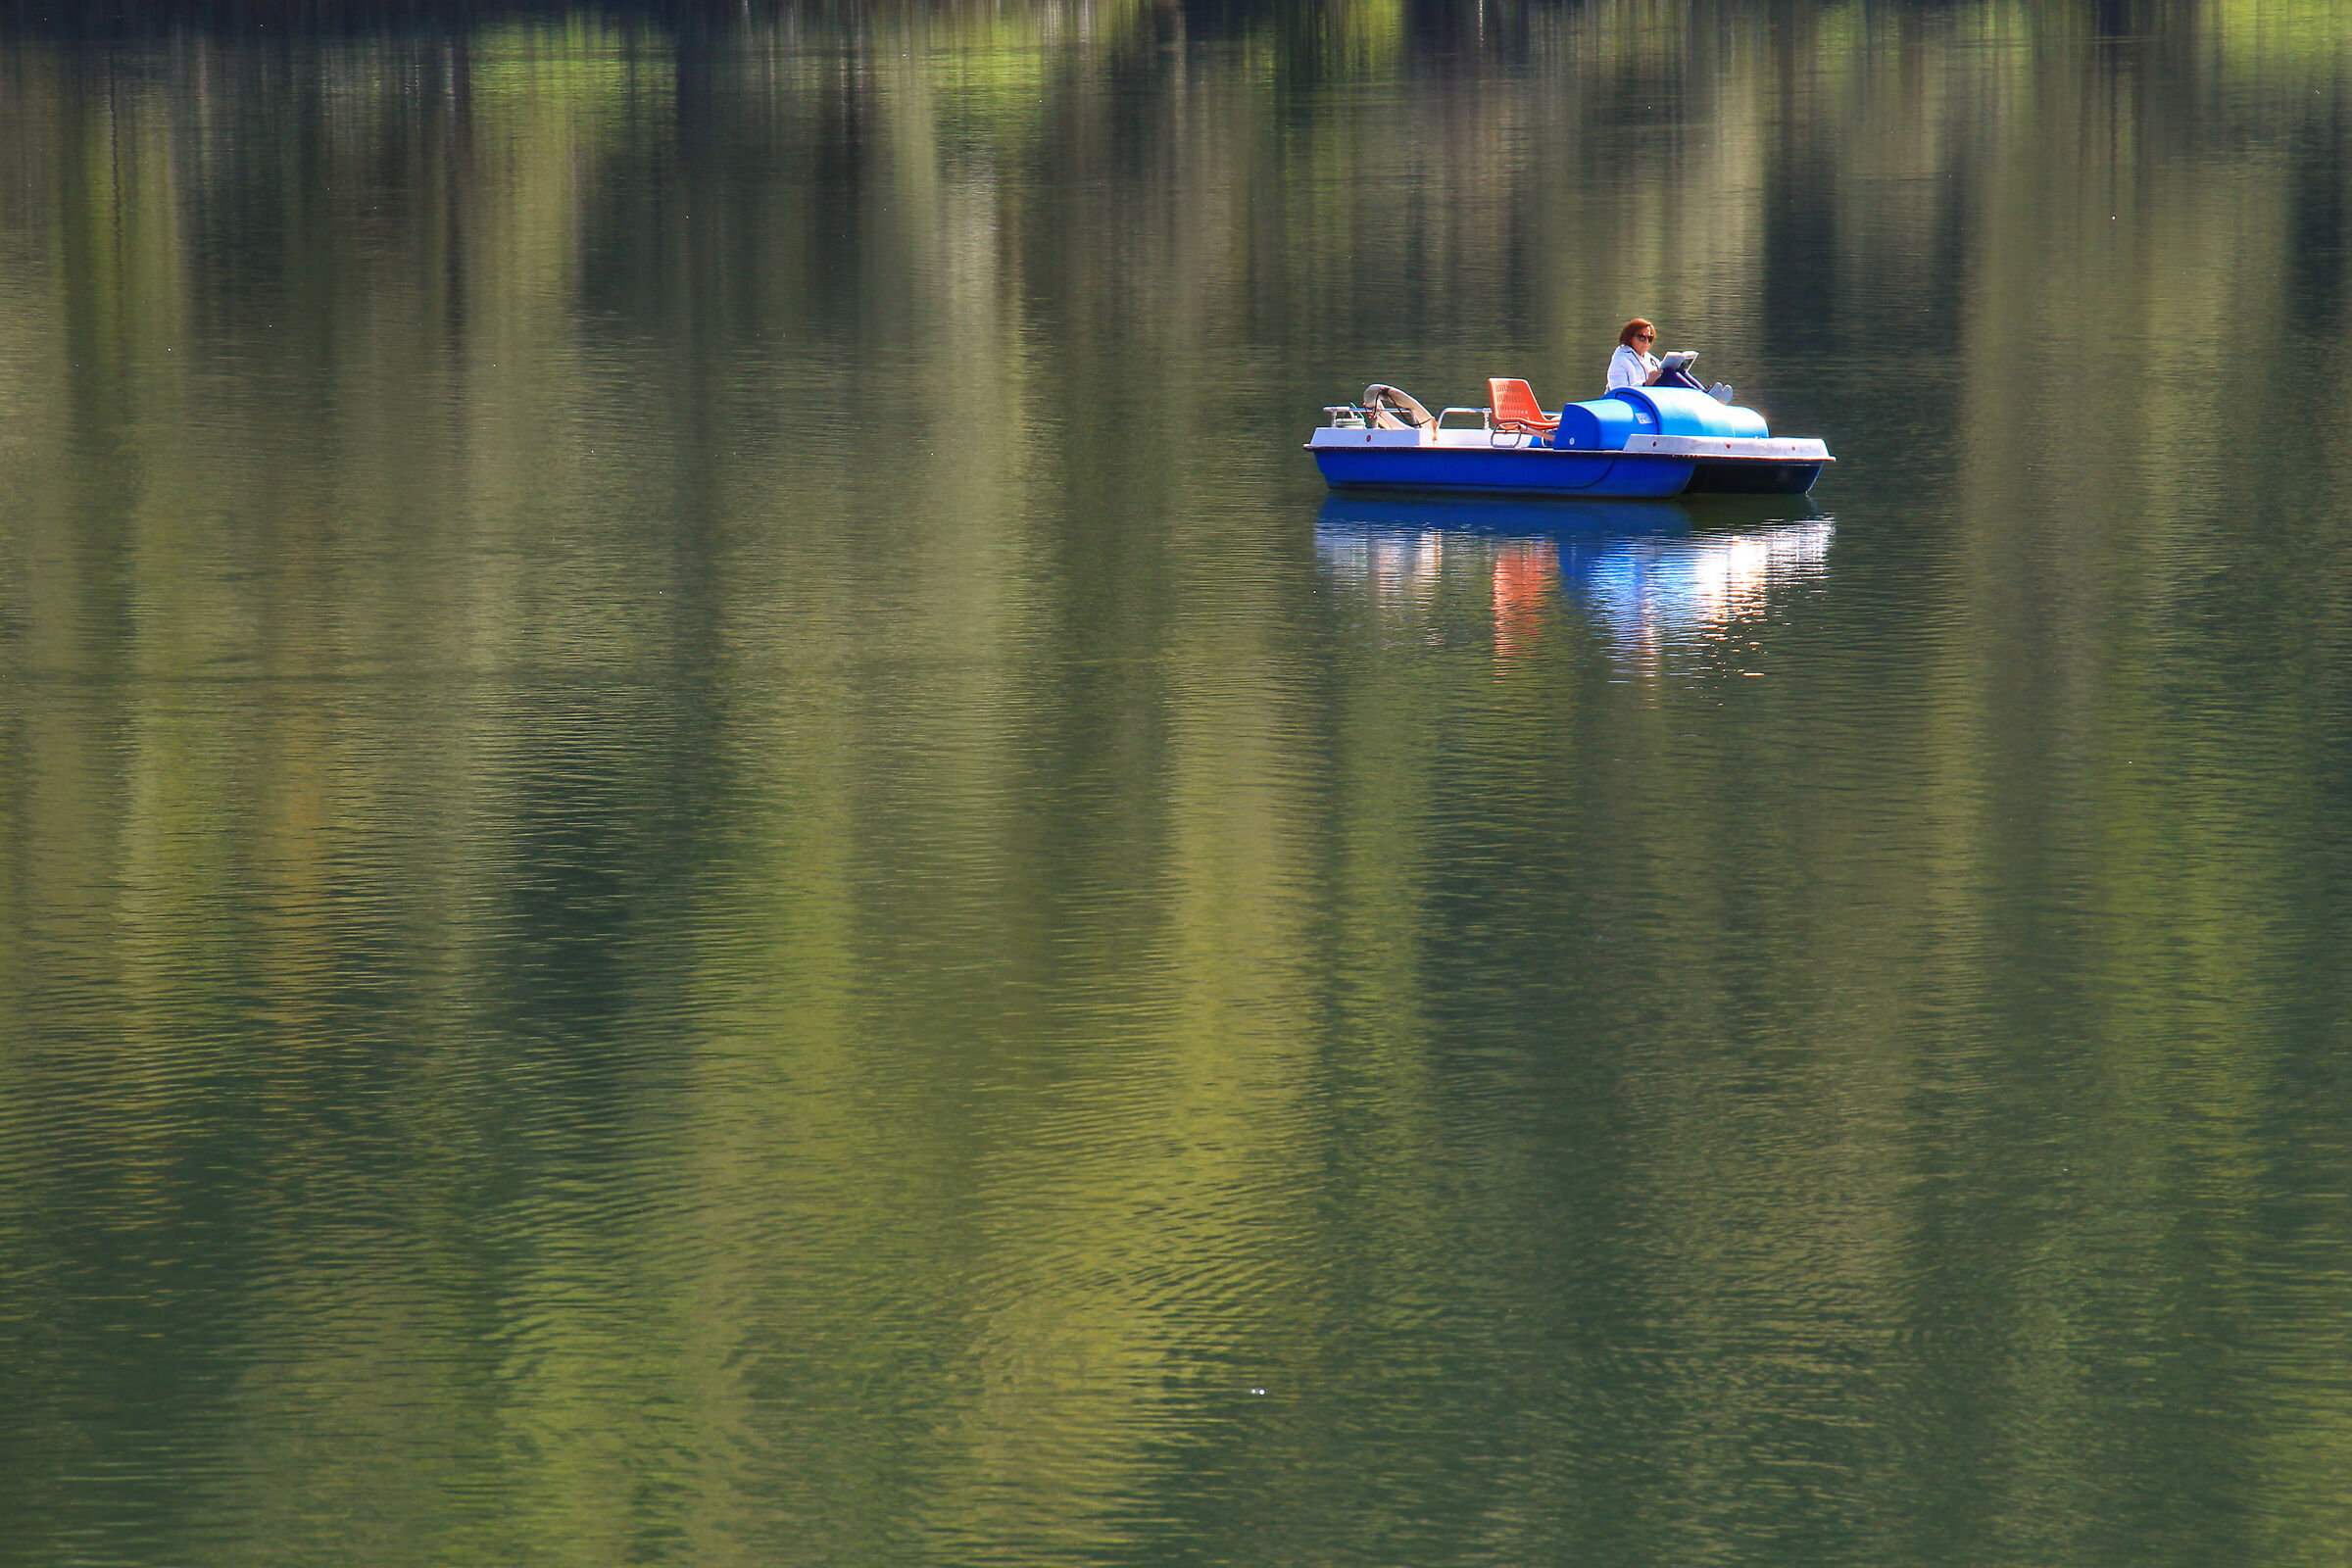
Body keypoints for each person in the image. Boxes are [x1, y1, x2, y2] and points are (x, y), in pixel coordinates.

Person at [1607, 318, 1660, 391]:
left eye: (1650, 338)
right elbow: (1619, 392)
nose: (1647, 342)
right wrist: (1645, 385)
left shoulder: (1652, 359)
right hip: (1630, 400)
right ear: (1629, 338)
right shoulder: (1620, 361)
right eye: (1642, 337)